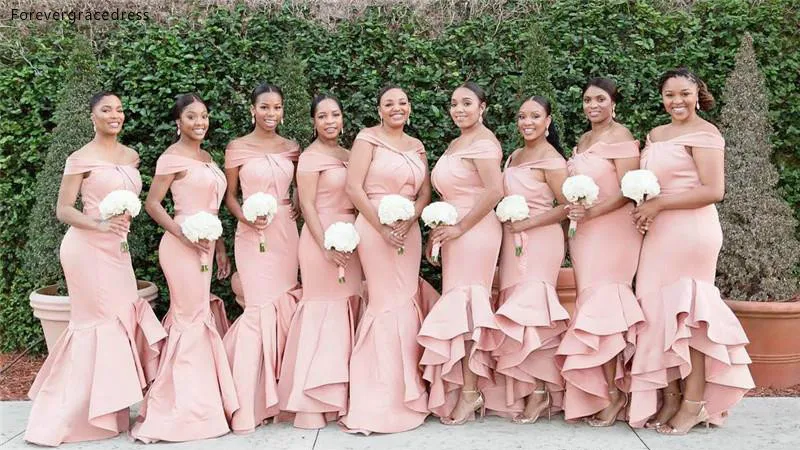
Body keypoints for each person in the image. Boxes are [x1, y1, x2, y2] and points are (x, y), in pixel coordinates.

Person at [25, 92, 167, 446]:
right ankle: (66, 418)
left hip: (118, 251)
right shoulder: (80, 158)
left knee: (120, 321)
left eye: (119, 109)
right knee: (95, 326)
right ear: (93, 116)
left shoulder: (131, 156)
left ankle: (108, 412)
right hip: (86, 248)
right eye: (106, 109)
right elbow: (63, 209)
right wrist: (100, 224)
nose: (115, 115)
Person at [628, 68, 754, 434]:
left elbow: (714, 190)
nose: (677, 101)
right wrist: (645, 207)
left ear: (697, 94)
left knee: (690, 317)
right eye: (670, 95)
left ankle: (694, 403)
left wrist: (660, 204)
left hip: (692, 232)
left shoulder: (706, 133)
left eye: (684, 93)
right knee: (656, 313)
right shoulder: (655, 135)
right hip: (659, 234)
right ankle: (670, 397)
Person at [131, 93, 237, 443]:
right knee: (189, 318)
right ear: (178, 122)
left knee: (197, 316)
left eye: (204, 116)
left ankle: (202, 401)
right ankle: (180, 408)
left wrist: (220, 247)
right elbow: (152, 204)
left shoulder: (207, 157)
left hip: (207, 244)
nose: (200, 122)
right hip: (180, 246)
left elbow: (213, 207)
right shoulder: (170, 158)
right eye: (192, 116)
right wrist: (182, 233)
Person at [339, 85, 437, 434]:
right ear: (379, 110)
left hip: (408, 230)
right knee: (383, 303)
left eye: (403, 102)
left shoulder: (417, 145)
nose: (397, 108)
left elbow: (425, 191)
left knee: (406, 299)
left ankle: (408, 393)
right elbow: (354, 188)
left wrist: (413, 217)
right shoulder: (367, 140)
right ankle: (376, 399)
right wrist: (380, 227)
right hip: (374, 228)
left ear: (409, 108)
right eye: (389, 103)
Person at [556, 78, 644, 426]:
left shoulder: (621, 137)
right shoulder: (583, 140)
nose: (592, 105)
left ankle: (616, 392)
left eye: (600, 99)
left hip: (613, 230)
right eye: (587, 99)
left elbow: (628, 191)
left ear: (613, 103)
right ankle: (603, 391)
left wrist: (592, 212)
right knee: (591, 306)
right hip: (584, 234)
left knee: (605, 308)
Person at [418, 82, 504, 425]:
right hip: (455, 232)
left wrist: (459, 228)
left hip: (476, 231)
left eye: (467, 103)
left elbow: (494, 190)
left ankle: (470, 392)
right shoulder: (457, 143)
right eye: (454, 103)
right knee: (460, 309)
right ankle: (466, 389)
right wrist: (438, 232)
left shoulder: (484, 142)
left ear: (482, 107)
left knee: (469, 309)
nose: (459, 109)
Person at [278, 94, 363, 429]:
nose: (330, 121)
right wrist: (326, 245)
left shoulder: (350, 155)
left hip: (352, 238)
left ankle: (345, 396)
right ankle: (313, 401)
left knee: (349, 306)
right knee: (323, 310)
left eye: (335, 115)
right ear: (313, 122)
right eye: (323, 116)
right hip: (320, 239)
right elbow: (309, 206)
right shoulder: (310, 158)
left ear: (343, 119)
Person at [222, 83, 302, 433]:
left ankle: (280, 396)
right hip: (251, 232)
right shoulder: (237, 147)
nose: (271, 113)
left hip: (285, 232)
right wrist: (245, 218)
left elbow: (302, 187)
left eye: (277, 107)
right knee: (257, 307)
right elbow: (229, 196)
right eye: (265, 107)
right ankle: (246, 400)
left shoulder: (292, 148)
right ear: (252, 110)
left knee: (284, 304)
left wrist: (296, 203)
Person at [492, 96, 571, 424]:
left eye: (535, 116)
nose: (527, 122)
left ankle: (541, 391)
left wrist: (529, 223)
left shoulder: (552, 159)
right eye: (522, 116)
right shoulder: (514, 155)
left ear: (548, 120)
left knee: (534, 311)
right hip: (513, 240)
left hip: (540, 239)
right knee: (518, 312)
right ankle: (526, 388)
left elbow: (567, 206)